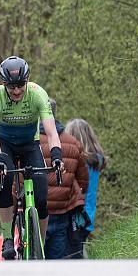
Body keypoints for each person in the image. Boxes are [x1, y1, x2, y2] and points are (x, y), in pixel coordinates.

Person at [0, 55, 64, 260]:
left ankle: (40, 243)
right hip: (5, 145)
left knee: (42, 197)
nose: (17, 90)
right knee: (5, 179)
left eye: (20, 85)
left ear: (27, 81)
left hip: (30, 144)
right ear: (4, 84)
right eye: (11, 87)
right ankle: (7, 238)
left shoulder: (38, 94)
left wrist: (56, 155)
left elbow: (52, 132)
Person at [40, 100, 89, 259]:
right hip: (62, 212)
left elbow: (18, 180)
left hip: (36, 211)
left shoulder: (28, 144)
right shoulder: (73, 143)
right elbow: (83, 181)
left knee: (35, 258)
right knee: (58, 260)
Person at [66, 118, 106, 257]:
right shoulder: (97, 160)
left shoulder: (78, 163)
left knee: (72, 254)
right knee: (79, 249)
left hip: (76, 215)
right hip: (89, 214)